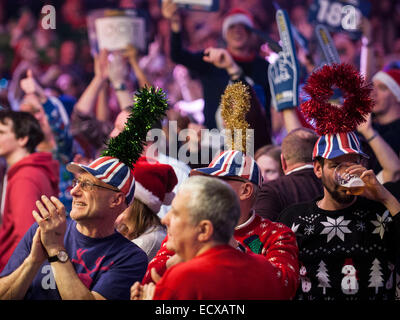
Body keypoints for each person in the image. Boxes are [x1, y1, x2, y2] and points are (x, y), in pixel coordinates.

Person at [141, 150, 299, 299]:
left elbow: (285, 288)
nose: (204, 188)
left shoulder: (277, 234)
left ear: (246, 190)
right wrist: (172, 264)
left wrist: (234, 248)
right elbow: (148, 280)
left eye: (215, 182)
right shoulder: (190, 227)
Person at [0, 156, 148, 299]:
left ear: (115, 200)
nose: (73, 191)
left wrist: (56, 250)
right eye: (77, 182)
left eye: (87, 185)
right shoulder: (44, 231)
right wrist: (32, 262)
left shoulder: (130, 257)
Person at [278, 132, 400, 300]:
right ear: (318, 169)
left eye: (353, 164)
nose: (346, 173)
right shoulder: (294, 218)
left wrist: (385, 197)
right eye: (335, 165)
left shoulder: (382, 211)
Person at [162, 0, 271, 146]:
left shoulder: (264, 67)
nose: (238, 31)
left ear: (252, 33)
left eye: (243, 27)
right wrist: (175, 23)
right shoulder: (212, 59)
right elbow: (177, 55)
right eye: (232, 27)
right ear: (225, 33)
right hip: (213, 144)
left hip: (254, 142)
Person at [0, 110, 59, 272]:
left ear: (22, 139)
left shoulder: (24, 177)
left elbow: (25, 237)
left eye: (2, 132)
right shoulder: (27, 170)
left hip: (15, 273)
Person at [115, 158, 178, 261]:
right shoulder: (127, 230)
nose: (117, 201)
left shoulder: (149, 241)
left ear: (137, 203)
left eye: (124, 196)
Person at [254, 128, 323, 221]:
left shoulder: (270, 191)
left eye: (269, 171)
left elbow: (260, 232)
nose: (263, 178)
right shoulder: (337, 185)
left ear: (283, 161)